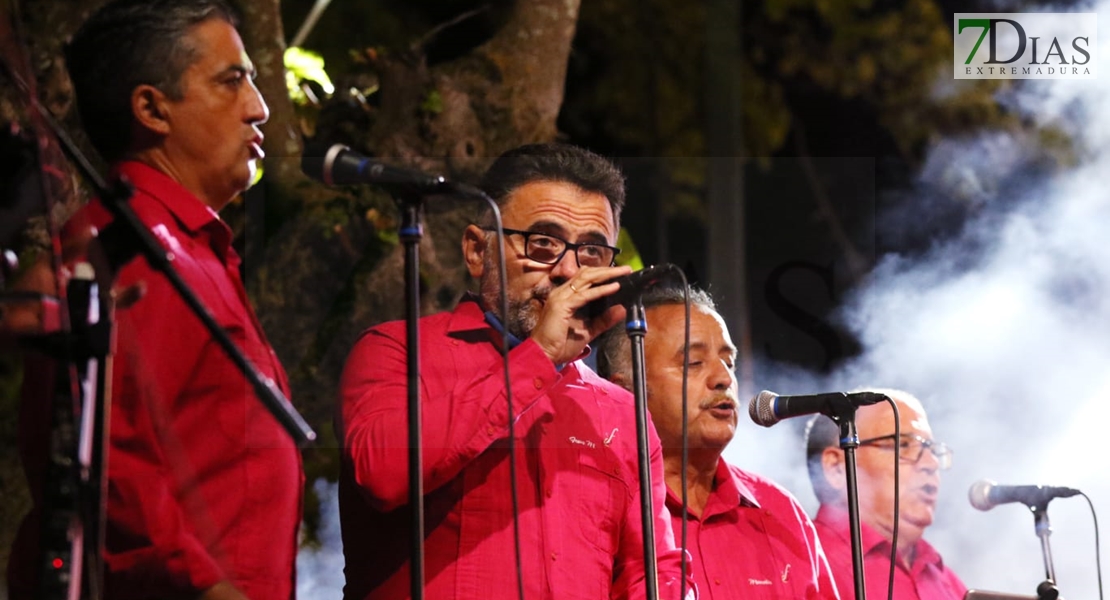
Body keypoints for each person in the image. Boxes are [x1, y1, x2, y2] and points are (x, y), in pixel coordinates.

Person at [7, 1, 302, 599]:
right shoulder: (126, 249)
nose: (261, 107)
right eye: (232, 80)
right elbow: (108, 461)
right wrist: (209, 588)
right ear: (151, 108)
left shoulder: (195, 250)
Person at [337, 142, 694, 600]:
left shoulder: (621, 413)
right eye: (543, 243)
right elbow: (382, 474)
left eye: (591, 253)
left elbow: (652, 572)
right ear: (476, 250)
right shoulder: (397, 351)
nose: (568, 270)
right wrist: (537, 356)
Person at [596, 284, 840, 600]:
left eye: (729, 362)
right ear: (625, 391)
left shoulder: (780, 511)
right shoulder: (598, 506)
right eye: (694, 363)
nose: (723, 378)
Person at [805, 389, 967, 600]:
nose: (931, 463)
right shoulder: (801, 564)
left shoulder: (941, 575)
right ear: (837, 467)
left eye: (932, 450)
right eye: (903, 445)